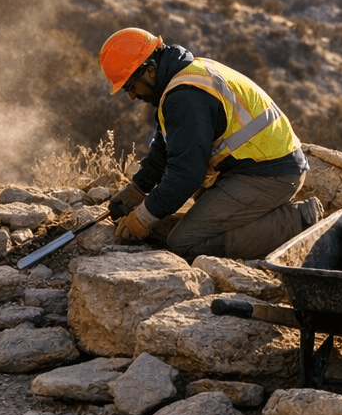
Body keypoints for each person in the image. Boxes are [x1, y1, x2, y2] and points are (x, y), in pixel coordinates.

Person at [98, 28, 322, 261]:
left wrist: (143, 218)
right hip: (256, 167)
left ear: (150, 71)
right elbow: (166, 148)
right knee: (173, 225)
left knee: (183, 243)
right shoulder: (183, 80)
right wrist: (138, 188)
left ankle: (298, 221)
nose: (132, 96)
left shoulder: (185, 97)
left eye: (130, 86)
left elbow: (185, 175)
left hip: (270, 175)